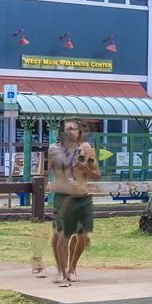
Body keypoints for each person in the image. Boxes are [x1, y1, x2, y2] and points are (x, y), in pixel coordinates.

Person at [45, 119, 100, 286]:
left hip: (82, 197)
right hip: (63, 197)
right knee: (63, 235)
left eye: (74, 128)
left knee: (82, 237)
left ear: (79, 131)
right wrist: (47, 186)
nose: (70, 131)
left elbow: (96, 174)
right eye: (67, 128)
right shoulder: (54, 150)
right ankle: (61, 271)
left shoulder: (87, 149)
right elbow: (44, 171)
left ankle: (72, 268)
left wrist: (85, 169)